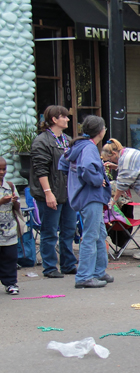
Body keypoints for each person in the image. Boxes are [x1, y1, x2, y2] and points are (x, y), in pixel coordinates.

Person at [58, 116, 112, 289]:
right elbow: (87, 167)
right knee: (91, 236)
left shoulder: (78, 145)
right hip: (91, 196)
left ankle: (98, 271)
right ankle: (84, 276)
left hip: (83, 195)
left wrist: (76, 181)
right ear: (100, 131)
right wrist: (97, 180)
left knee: (100, 233)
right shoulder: (89, 147)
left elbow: (63, 163)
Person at [30, 105, 77, 278]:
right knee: (49, 231)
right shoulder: (42, 141)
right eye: (63, 116)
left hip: (67, 193)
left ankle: (68, 264)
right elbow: (40, 169)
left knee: (69, 229)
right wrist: (48, 193)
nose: (67, 119)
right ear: (54, 119)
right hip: (50, 193)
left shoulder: (67, 140)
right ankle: (50, 267)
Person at [0, 157, 20, 295]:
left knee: (10, 258)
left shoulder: (10, 186)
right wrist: (1, 201)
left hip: (9, 231)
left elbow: (17, 208)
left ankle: (11, 283)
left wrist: (14, 201)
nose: (2, 172)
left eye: (4, 169)